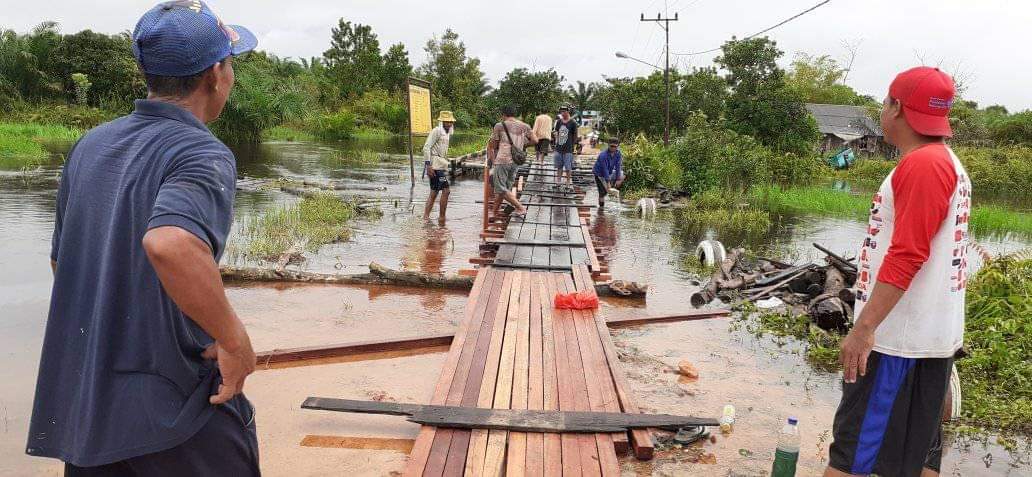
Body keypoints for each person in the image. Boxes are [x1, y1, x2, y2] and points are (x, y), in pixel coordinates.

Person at [27, 2, 260, 475]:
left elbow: (62, 264)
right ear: (216, 74)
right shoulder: (201, 152)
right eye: (231, 62)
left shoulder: (90, 146)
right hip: (176, 415)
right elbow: (170, 243)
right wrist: (234, 340)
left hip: (91, 414)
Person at [825, 66, 971, 477]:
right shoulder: (944, 161)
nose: (883, 108)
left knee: (852, 454)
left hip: (898, 344)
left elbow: (908, 255)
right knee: (919, 456)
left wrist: (864, 328)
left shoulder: (924, 165)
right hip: (927, 338)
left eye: (887, 101)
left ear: (897, 107)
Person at [487, 105, 535, 218]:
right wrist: (522, 146)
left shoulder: (499, 126)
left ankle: (520, 207)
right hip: (516, 161)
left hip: (503, 159)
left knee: (500, 188)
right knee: (505, 189)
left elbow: (493, 145)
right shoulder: (525, 126)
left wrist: (494, 160)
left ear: (503, 114)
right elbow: (535, 140)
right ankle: (494, 213)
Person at [422, 110, 455, 223]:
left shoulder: (447, 133)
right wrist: (428, 165)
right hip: (435, 165)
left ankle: (427, 217)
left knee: (435, 192)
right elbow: (426, 147)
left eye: (451, 122)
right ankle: (440, 217)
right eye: (447, 122)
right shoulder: (436, 131)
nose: (449, 124)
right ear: (442, 122)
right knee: (445, 190)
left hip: (442, 165)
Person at [593, 138, 624, 207]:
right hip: (599, 174)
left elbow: (618, 166)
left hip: (609, 173)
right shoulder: (603, 155)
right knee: (602, 192)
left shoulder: (618, 154)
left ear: (617, 146)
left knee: (622, 174)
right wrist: (608, 183)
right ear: (608, 145)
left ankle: (614, 188)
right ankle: (601, 208)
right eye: (611, 146)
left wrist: (618, 179)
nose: (613, 148)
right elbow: (605, 169)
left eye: (615, 146)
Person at [552, 106, 579, 184]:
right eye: (561, 111)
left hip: (568, 148)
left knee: (568, 167)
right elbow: (556, 131)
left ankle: (568, 181)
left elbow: (575, 136)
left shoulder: (573, 122)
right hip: (559, 148)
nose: (562, 113)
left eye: (564, 111)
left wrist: (572, 146)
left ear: (568, 112)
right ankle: (558, 181)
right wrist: (556, 135)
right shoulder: (559, 122)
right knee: (559, 166)